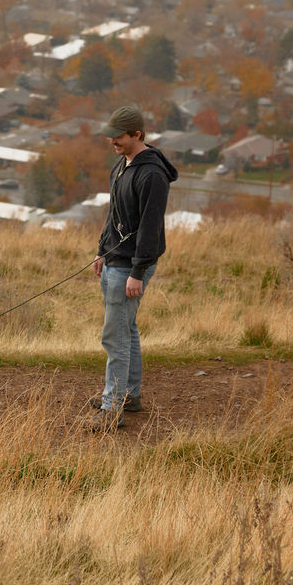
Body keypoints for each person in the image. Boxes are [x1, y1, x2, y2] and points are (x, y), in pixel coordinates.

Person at [88, 106, 178, 431]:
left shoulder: (151, 175)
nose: (112, 141)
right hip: (114, 260)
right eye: (110, 135)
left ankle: (113, 408)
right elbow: (115, 212)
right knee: (127, 329)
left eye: (118, 136)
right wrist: (102, 250)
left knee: (115, 337)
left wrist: (137, 272)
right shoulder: (122, 163)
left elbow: (151, 228)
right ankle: (130, 395)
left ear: (137, 135)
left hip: (130, 267)